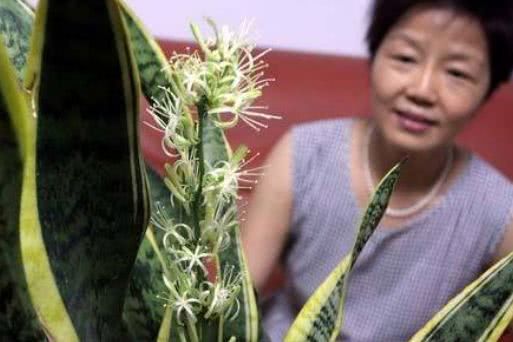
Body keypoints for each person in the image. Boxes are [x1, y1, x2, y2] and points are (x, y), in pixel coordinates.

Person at [241, 0, 513, 340]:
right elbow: (234, 299)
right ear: (374, 58)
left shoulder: (499, 211)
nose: (422, 90)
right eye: (405, 59)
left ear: (487, 91)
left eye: (457, 73)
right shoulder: (304, 153)